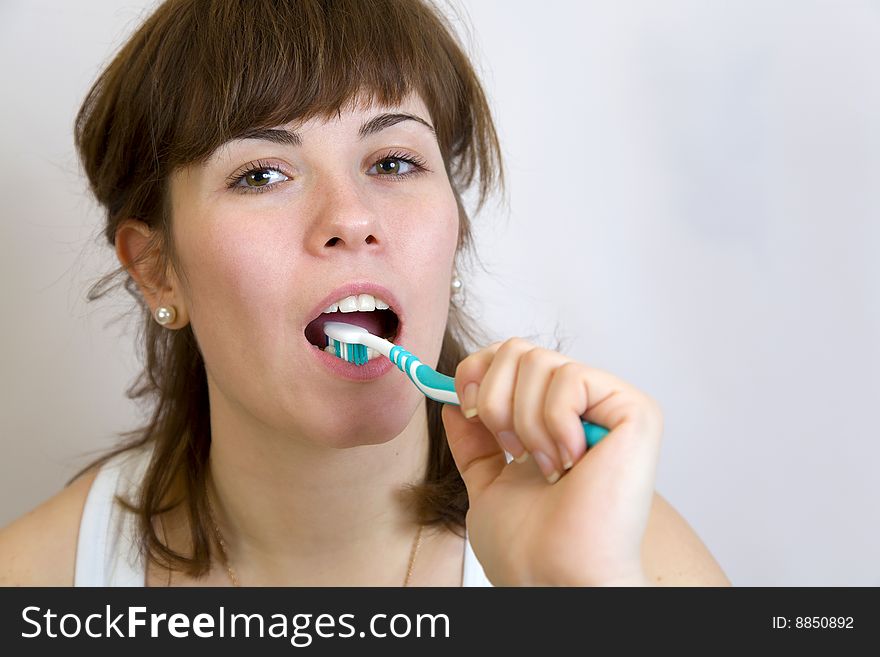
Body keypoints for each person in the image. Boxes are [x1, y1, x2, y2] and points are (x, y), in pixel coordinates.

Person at [0, 0, 730, 587]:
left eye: (392, 159)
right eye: (261, 174)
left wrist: (576, 597)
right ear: (157, 268)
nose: (351, 217)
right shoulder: (35, 581)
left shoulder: (622, 551)